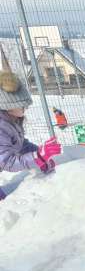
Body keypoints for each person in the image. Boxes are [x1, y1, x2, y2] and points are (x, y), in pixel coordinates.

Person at [0, 70, 61, 200]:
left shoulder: (10, 120)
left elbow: (19, 144)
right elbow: (7, 162)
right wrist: (38, 157)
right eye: (22, 104)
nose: (25, 107)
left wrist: (39, 154)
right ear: (6, 106)